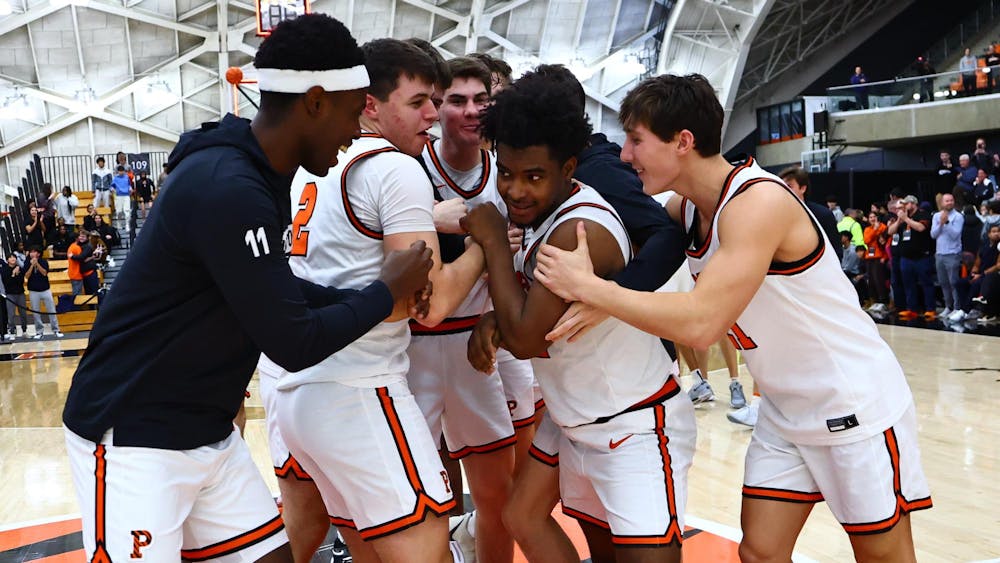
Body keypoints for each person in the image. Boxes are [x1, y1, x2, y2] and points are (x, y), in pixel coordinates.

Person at [61, 15, 434, 563]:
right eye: (354, 112)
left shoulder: (258, 171)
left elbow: (271, 289)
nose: (357, 130)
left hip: (206, 431)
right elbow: (292, 341)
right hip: (133, 436)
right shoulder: (227, 187)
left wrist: (367, 300)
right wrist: (384, 292)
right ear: (314, 102)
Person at [533, 73, 930, 563]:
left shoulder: (758, 202)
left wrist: (595, 290)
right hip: (785, 408)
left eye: (636, 141)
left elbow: (702, 325)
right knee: (760, 552)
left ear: (683, 142)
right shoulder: (684, 209)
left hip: (850, 400)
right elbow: (645, 245)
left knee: (884, 555)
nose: (624, 155)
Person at [462, 69, 696, 563]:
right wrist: (495, 323)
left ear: (569, 167)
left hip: (631, 420)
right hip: (574, 417)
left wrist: (491, 244)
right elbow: (531, 313)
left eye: (533, 177)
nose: (516, 190)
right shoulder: (542, 211)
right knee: (522, 516)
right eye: (506, 173)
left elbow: (529, 339)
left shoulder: (578, 227)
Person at [266, 38, 485, 563]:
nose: (432, 114)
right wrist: (485, 245)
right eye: (417, 103)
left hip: (293, 390)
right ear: (369, 104)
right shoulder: (397, 168)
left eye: (435, 100)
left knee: (364, 547)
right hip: (358, 388)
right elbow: (426, 305)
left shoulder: (307, 168)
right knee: (428, 545)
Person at [409, 56, 518, 563]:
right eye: (457, 100)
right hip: (412, 348)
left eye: (482, 100)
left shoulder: (509, 172)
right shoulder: (410, 166)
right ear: (437, 106)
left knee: (499, 495)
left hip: (481, 342)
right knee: (416, 499)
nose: (471, 111)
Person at [778, 166, 842, 260]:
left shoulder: (823, 215)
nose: (784, 189)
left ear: (803, 188)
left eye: (789, 186)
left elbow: (836, 251)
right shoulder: (776, 216)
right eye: (781, 186)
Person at [889, 195, 936, 320]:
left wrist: (906, 219)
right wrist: (899, 221)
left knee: (926, 283)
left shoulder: (923, 215)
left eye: (905, 204)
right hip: (906, 258)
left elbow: (921, 228)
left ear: (913, 204)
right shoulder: (903, 218)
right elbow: (890, 232)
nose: (903, 208)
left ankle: (930, 308)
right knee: (908, 284)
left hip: (922, 256)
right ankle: (912, 308)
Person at [931, 193, 964, 319]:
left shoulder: (958, 216)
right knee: (943, 282)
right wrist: (940, 223)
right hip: (939, 253)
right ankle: (948, 306)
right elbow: (933, 234)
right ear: (942, 203)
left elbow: (955, 234)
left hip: (953, 253)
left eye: (951, 200)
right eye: (947, 201)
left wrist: (946, 223)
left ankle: (957, 307)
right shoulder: (936, 216)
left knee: (953, 282)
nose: (949, 203)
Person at [24, 246, 62, 338]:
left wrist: (37, 264)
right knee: (36, 312)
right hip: (33, 291)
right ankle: (39, 332)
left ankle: (56, 330)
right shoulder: (26, 262)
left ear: (38, 254)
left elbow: (44, 273)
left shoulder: (43, 261)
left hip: (45, 290)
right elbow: (27, 276)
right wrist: (32, 265)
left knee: (51, 310)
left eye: (34, 252)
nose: (32, 254)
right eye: (31, 252)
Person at [863, 211, 889, 313]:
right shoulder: (867, 229)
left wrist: (885, 256)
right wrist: (874, 230)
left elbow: (886, 242)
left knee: (879, 280)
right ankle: (875, 301)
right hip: (869, 257)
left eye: (874, 217)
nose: (872, 219)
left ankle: (883, 302)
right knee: (872, 281)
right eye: (870, 217)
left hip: (879, 257)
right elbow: (866, 240)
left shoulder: (883, 227)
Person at [1, 254, 28, 340]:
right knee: (11, 315)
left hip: (20, 293)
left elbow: (21, 281)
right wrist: (13, 274)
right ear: (7, 260)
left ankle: (24, 331)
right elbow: (6, 282)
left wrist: (17, 273)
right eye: (10, 258)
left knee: (23, 313)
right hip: (10, 294)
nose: (12, 259)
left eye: (14, 257)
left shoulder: (20, 268)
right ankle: (12, 331)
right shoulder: (4, 270)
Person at [67, 230, 101, 297]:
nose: (81, 238)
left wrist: (72, 256)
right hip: (84, 273)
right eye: (80, 236)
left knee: (94, 292)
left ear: (87, 238)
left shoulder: (88, 246)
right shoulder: (80, 245)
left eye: (83, 237)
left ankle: (97, 307)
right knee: (88, 293)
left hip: (90, 273)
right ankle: (91, 307)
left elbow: (81, 257)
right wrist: (92, 257)